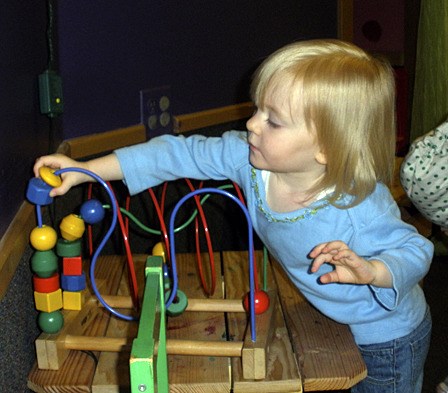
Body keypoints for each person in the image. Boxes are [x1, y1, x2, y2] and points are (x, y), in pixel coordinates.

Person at [34, 39, 433, 393]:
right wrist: (83, 169)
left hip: (388, 337)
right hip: (329, 318)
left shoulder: (358, 204)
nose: (251, 124)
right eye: (258, 109)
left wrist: (374, 271)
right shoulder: (249, 158)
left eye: (272, 120)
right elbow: (176, 153)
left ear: (326, 148)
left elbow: (416, 249)